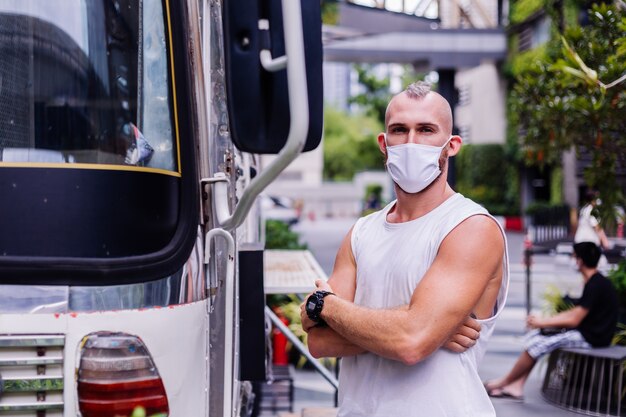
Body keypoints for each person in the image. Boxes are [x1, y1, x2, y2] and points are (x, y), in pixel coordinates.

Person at [300, 81, 509, 416]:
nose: (411, 142)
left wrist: (323, 306)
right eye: (400, 130)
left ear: (451, 145)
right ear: (384, 143)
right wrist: (421, 325)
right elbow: (320, 342)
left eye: (426, 130)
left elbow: (411, 343)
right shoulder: (361, 232)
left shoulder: (471, 227)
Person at [484, 241, 619, 400]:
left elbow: (574, 319)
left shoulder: (596, 284)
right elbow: (577, 312)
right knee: (536, 338)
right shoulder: (596, 281)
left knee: (537, 343)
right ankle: (516, 386)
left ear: (580, 260)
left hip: (593, 338)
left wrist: (542, 322)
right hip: (589, 333)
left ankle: (502, 382)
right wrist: (544, 322)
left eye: (574, 256)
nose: (573, 260)